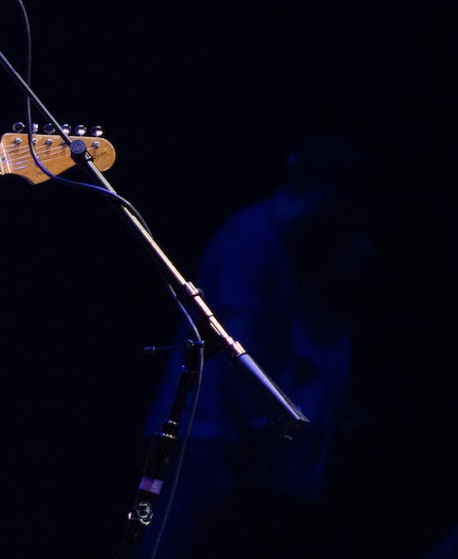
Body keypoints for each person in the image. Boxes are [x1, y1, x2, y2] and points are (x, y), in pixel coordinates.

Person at [144, 136, 373, 558]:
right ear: (327, 195)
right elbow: (232, 346)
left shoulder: (274, 246)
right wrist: (261, 425)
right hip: (202, 433)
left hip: (221, 438)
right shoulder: (252, 238)